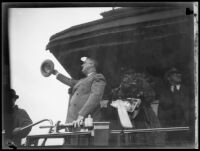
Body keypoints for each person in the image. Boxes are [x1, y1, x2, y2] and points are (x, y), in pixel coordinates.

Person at [110, 70, 165, 146]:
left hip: (143, 113)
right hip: (126, 114)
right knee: (126, 137)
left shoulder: (141, 81)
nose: (127, 76)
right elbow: (115, 95)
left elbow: (151, 95)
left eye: (129, 74)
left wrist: (141, 99)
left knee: (144, 136)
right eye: (126, 74)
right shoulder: (121, 83)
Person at [53, 56, 106, 129]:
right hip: (72, 122)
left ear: (91, 64)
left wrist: (81, 115)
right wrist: (56, 73)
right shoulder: (82, 80)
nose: (82, 65)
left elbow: (95, 96)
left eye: (84, 63)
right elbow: (70, 81)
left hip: (84, 122)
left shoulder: (98, 77)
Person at [158, 67, 190, 144]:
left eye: (179, 73)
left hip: (187, 130)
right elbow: (161, 112)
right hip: (170, 130)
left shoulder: (189, 90)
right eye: (175, 74)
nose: (179, 75)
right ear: (168, 78)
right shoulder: (163, 93)